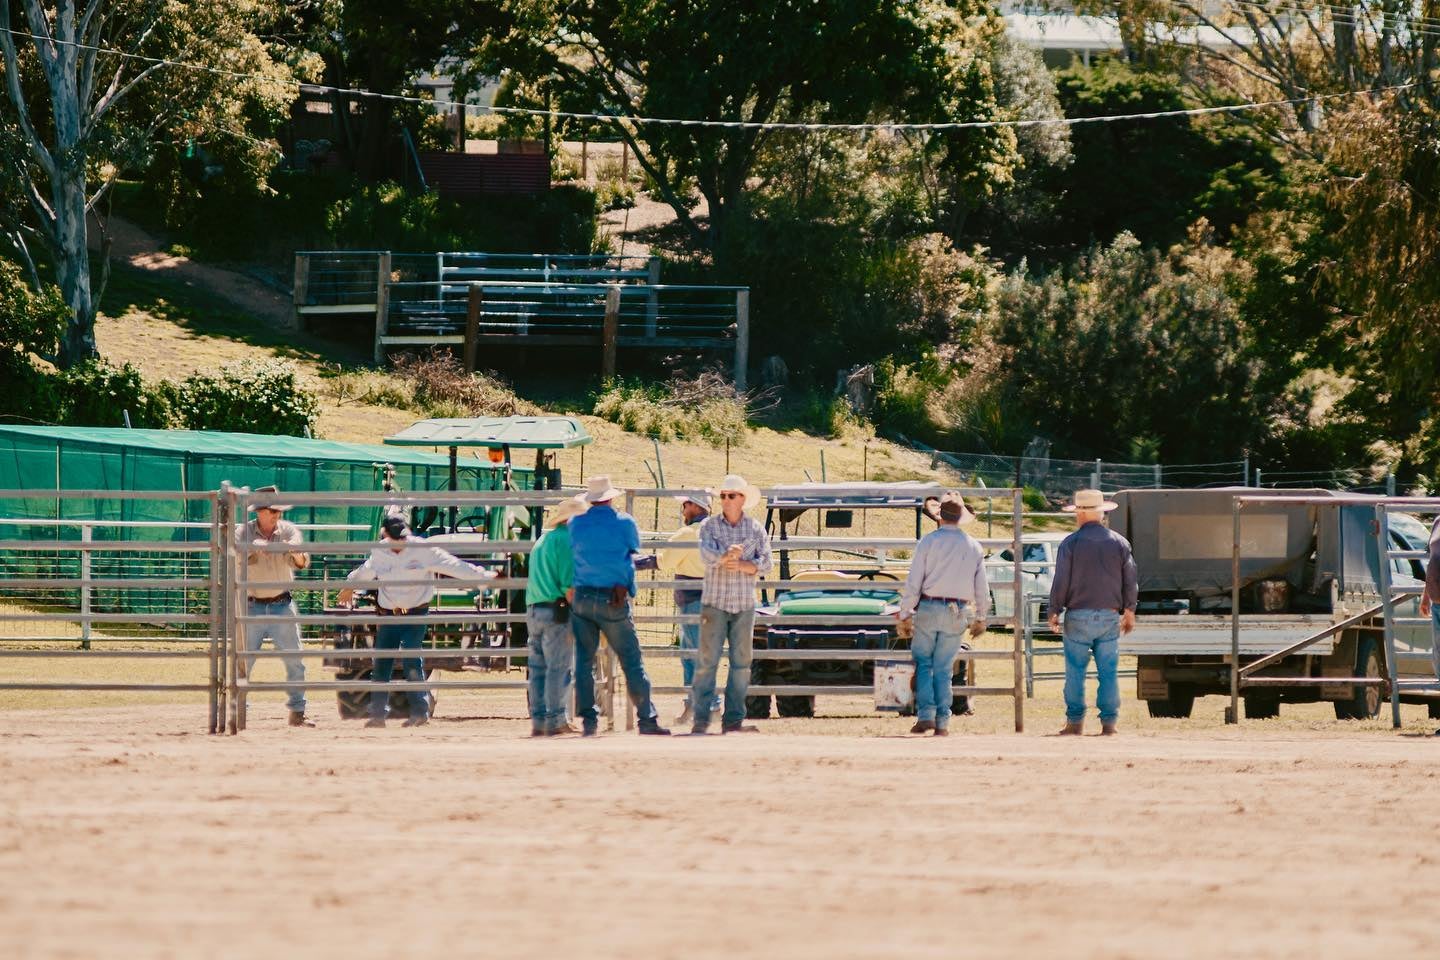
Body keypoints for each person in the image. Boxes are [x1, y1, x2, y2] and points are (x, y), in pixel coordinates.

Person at [336, 513, 495, 729]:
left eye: (402, 537)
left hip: (416, 613)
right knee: (382, 662)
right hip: (389, 614)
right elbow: (365, 571)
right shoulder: (379, 551)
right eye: (395, 538)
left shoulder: (423, 550)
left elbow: (453, 565)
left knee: (412, 658)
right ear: (386, 535)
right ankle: (377, 715)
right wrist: (348, 587)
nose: (400, 542)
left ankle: (420, 713)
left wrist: (484, 577)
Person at [567, 476, 669, 736]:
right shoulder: (624, 522)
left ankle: (589, 721)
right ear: (611, 497)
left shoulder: (575, 523)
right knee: (631, 660)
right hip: (613, 598)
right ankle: (646, 719)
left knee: (583, 661)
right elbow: (634, 551)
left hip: (582, 597)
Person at [1047, 488, 1138, 736]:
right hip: (1109, 615)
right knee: (1108, 671)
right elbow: (1130, 580)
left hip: (1077, 614)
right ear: (1101, 513)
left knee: (1075, 670)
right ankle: (1109, 722)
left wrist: (1054, 610)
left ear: (1079, 513)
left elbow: (1061, 581)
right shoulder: (1119, 543)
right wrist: (1129, 610)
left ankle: (1075, 721)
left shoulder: (1071, 544)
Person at [896, 491, 988, 736]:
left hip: (929, 607)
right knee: (945, 667)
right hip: (958, 609)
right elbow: (981, 586)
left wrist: (905, 611)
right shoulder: (973, 546)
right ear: (961, 517)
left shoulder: (928, 542)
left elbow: (914, 580)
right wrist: (981, 616)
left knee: (924, 663)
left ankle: (926, 716)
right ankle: (943, 722)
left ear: (940, 516)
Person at [691, 474, 772, 735]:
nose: (725, 500)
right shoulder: (709, 526)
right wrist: (728, 558)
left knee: (741, 664)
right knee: (707, 663)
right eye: (723, 496)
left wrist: (745, 565)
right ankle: (701, 719)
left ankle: (733, 719)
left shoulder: (756, 528)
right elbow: (705, 554)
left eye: (731, 496)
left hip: (743, 604)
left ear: (742, 499)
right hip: (715, 602)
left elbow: (767, 563)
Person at [235, 485, 314, 727]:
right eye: (272, 510)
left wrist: (295, 552)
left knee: (295, 661)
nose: (277, 514)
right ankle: (239, 713)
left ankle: (298, 713)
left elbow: (301, 559)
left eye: (279, 510)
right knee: (242, 662)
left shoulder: (288, 530)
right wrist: (253, 549)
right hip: (251, 605)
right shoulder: (242, 532)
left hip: (282, 604)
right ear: (259, 510)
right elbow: (236, 553)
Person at [525, 496, 589, 737]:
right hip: (557, 610)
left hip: (534, 607)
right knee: (559, 667)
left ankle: (539, 719)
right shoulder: (568, 541)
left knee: (539, 666)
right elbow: (569, 586)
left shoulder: (543, 540)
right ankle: (556, 719)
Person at [659, 491, 719, 725]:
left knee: (693, 654)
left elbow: (666, 562)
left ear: (695, 506)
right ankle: (695, 705)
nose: (683, 510)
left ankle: (708, 705)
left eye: (685, 505)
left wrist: (643, 561)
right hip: (713, 599)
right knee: (697, 652)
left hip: (693, 602)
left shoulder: (687, 534)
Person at [1421, 516, 1440, 736]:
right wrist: (1426, 596)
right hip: (1437, 603)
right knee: (1439, 661)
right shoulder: (1437, 522)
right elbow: (1432, 560)